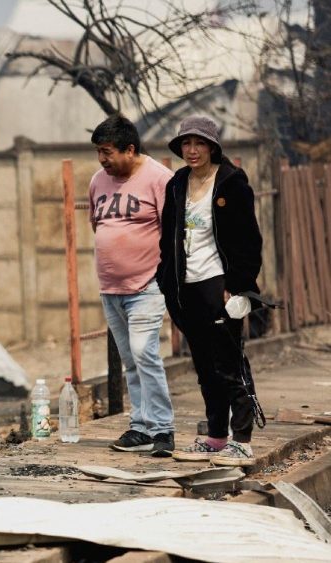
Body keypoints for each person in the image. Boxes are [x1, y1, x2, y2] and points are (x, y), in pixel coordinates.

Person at [157, 116, 263, 466]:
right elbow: (166, 239)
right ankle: (217, 436)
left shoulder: (232, 182)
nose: (192, 150)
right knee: (203, 366)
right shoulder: (177, 184)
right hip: (186, 288)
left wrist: (236, 287)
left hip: (219, 285)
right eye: (186, 144)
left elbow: (249, 240)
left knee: (229, 363)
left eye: (199, 143)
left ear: (212, 147)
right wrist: (166, 282)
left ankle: (242, 439)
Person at [89, 115, 175, 456]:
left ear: (130, 148)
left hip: (148, 285)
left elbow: (174, 232)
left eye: (107, 152)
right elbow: (97, 226)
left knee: (144, 353)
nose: (102, 160)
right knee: (130, 359)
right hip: (111, 288)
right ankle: (140, 426)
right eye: (98, 152)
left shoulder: (159, 178)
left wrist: (164, 274)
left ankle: (163, 429)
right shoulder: (98, 181)